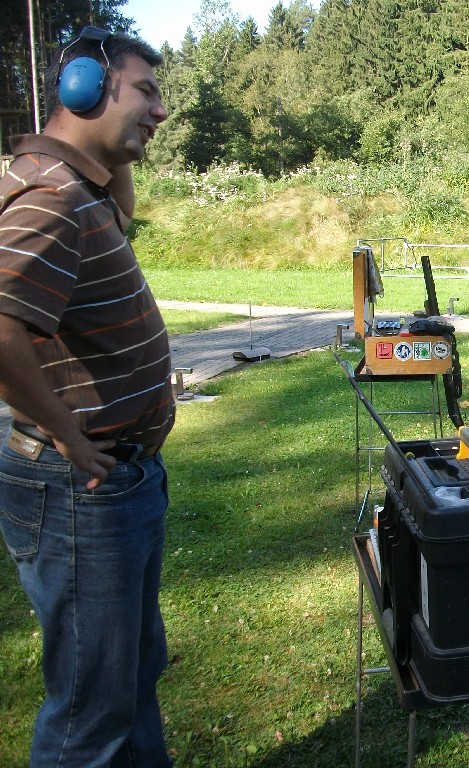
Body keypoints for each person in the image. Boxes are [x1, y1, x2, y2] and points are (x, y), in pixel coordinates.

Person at [0, 28, 174, 767]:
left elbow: (122, 216)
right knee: (89, 715)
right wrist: (68, 435)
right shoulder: (50, 198)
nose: (161, 111)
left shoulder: (80, 190)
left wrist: (117, 149)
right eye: (147, 91)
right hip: (82, 487)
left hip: (114, 483)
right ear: (85, 86)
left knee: (127, 681)